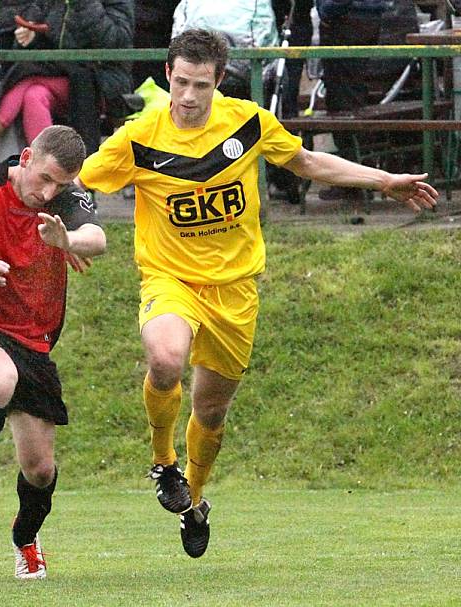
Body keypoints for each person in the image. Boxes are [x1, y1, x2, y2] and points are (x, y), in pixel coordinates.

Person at [77, 28, 437, 559]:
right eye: (180, 82)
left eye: (201, 84)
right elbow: (81, 179)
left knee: (212, 412)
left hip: (236, 291)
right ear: (168, 75)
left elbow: (310, 164)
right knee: (166, 358)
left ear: (220, 81)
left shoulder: (248, 122)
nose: (189, 96)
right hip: (170, 279)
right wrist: (65, 231)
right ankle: (163, 461)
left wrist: (384, 180)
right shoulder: (139, 137)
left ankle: (194, 503)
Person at [0, 125, 106, 580]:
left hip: (33, 342)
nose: (50, 190)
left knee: (40, 470)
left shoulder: (63, 199)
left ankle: (25, 540)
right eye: (46, 178)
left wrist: (67, 242)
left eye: (62, 183)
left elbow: (98, 238)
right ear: (25, 157)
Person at [0, 0, 134, 155]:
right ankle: (46, 166)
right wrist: (31, 38)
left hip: (102, 81)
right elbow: (43, 38)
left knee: (27, 77)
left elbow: (117, 39)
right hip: (62, 75)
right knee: (33, 94)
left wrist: (84, 3)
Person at [315, 0, 386, 201]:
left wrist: (327, 12)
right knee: (352, 95)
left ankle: (354, 182)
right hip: (362, 17)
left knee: (342, 102)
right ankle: (362, 178)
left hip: (344, 19)